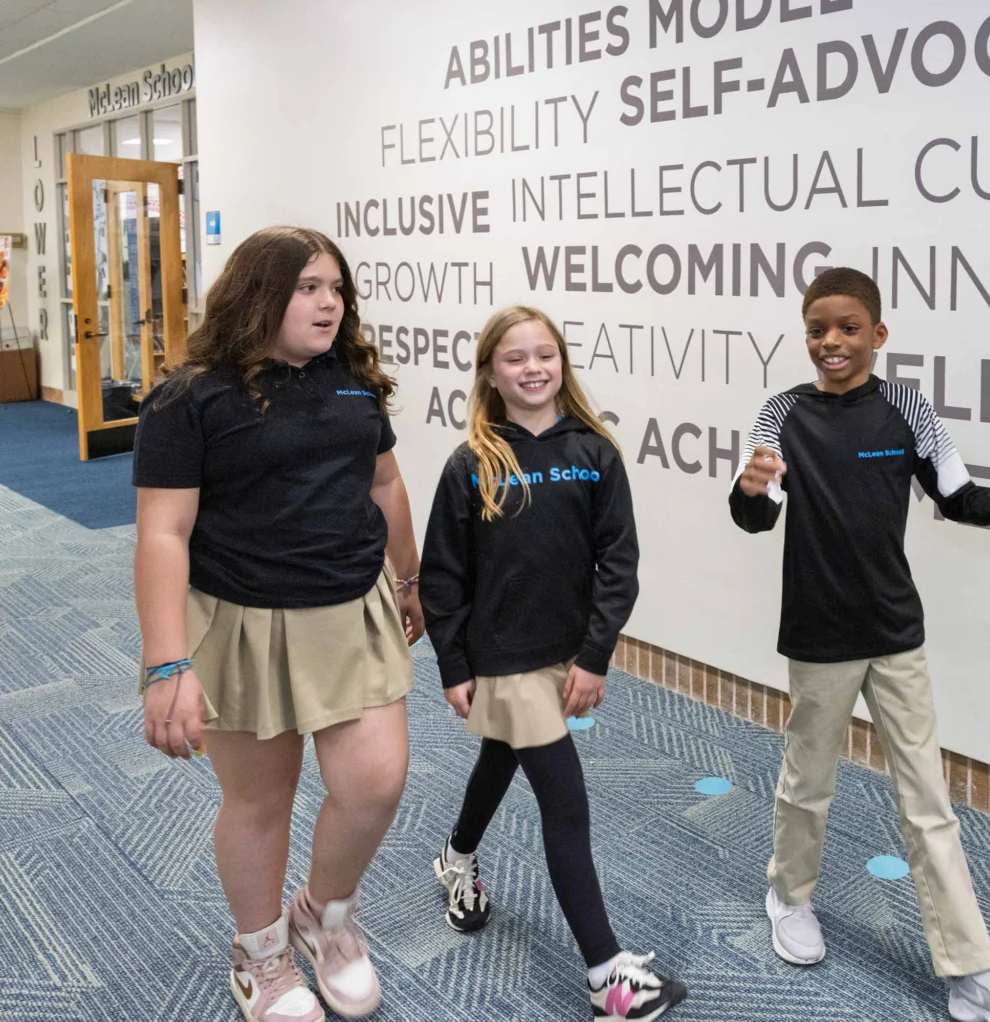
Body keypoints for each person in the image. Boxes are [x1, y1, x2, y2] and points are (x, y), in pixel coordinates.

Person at [729, 267, 990, 1022]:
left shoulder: (907, 409)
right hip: (819, 635)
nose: (831, 341)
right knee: (807, 783)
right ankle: (789, 896)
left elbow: (958, 496)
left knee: (928, 803)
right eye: (817, 327)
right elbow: (755, 514)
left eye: (848, 327)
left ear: (877, 335)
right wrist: (752, 490)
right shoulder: (780, 413)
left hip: (894, 632)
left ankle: (970, 975)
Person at [133, 227, 422, 1022]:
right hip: (241, 620)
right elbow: (163, 534)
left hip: (350, 609)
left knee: (375, 784)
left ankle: (325, 915)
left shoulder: (354, 380)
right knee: (262, 800)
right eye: (307, 287)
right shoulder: (191, 397)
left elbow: (385, 480)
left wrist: (408, 575)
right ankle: (261, 955)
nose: (328, 303)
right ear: (258, 294)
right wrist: (167, 663)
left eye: (335, 288)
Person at [418, 306, 687, 1022]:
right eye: (514, 358)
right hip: (502, 656)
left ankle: (457, 855)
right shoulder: (472, 461)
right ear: (489, 373)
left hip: (564, 651)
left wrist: (594, 656)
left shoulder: (594, 450)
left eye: (546, 355)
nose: (533, 369)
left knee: (502, 756)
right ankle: (607, 976)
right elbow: (442, 574)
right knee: (565, 803)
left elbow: (617, 564)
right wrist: (452, 664)